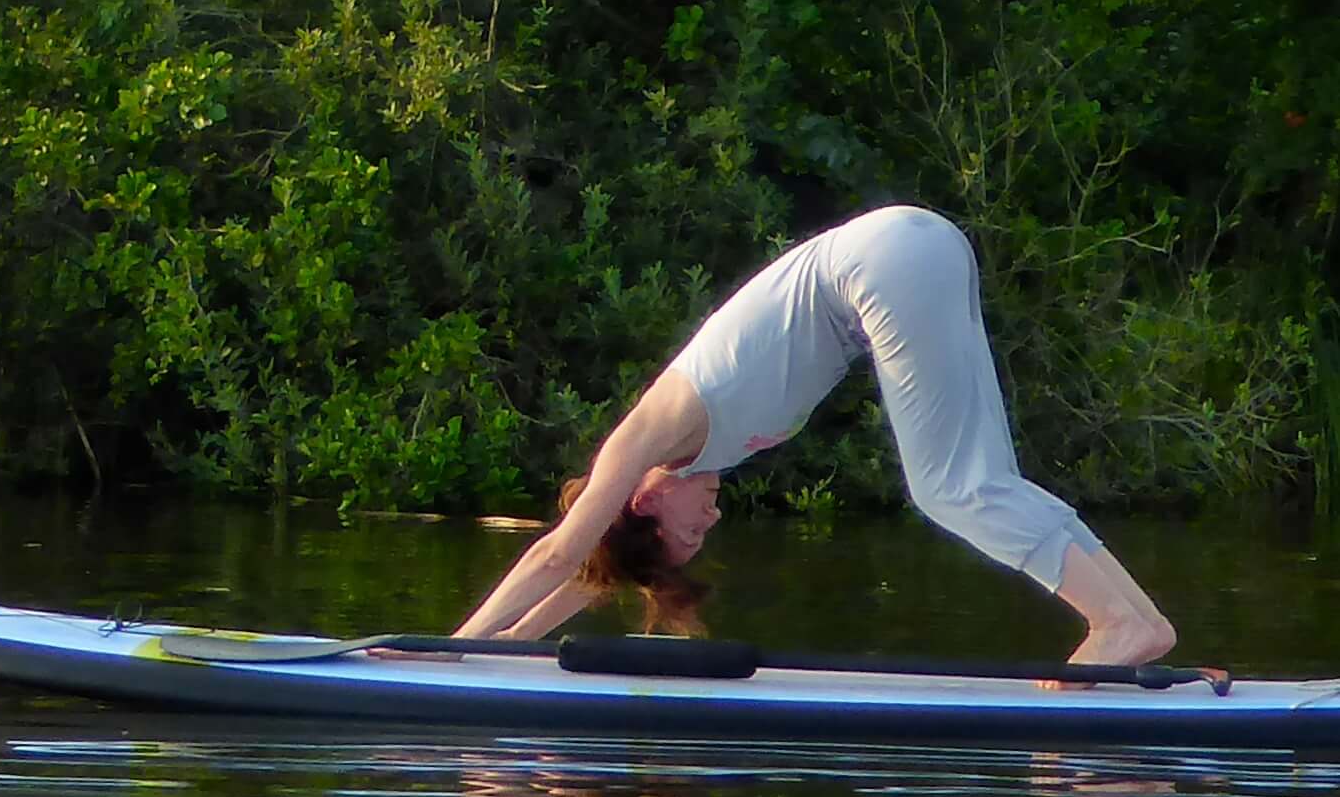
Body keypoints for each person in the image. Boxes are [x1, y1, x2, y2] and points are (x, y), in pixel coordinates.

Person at [458, 204, 1172, 665]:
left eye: (692, 529)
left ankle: (1116, 624)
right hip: (920, 246)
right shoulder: (691, 460)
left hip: (884, 263)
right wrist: (513, 645)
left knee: (951, 489)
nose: (711, 517)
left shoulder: (645, 435)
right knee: (983, 480)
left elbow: (560, 553)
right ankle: (1139, 621)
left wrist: (452, 650)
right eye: (704, 532)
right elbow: (596, 573)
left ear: (645, 502)